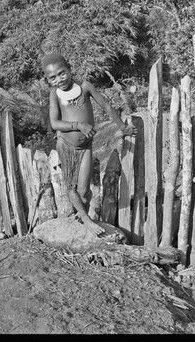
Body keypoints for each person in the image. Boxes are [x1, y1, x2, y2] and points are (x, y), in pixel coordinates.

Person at [42, 53, 137, 236]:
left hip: (85, 146)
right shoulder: (55, 95)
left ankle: (81, 212)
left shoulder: (84, 86)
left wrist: (122, 128)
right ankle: (86, 220)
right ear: (48, 79)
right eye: (52, 77)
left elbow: (106, 107)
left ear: (69, 69)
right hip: (66, 147)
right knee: (71, 187)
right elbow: (55, 123)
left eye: (62, 73)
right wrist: (79, 126)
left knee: (84, 192)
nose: (59, 80)